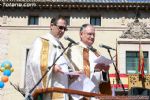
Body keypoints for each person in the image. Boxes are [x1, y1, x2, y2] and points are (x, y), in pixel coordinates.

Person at [25, 16, 73, 100]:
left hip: (63, 90)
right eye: (60, 27)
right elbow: (33, 62)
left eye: (65, 29)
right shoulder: (41, 41)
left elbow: (66, 66)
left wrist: (72, 73)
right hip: (50, 91)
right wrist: (52, 67)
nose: (62, 31)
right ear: (51, 26)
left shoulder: (61, 46)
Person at [67, 24, 111, 99]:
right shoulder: (74, 49)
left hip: (96, 93)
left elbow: (102, 80)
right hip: (81, 94)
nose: (92, 37)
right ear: (81, 34)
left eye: (94, 34)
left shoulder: (96, 53)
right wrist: (95, 69)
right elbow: (76, 71)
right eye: (89, 34)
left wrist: (104, 71)